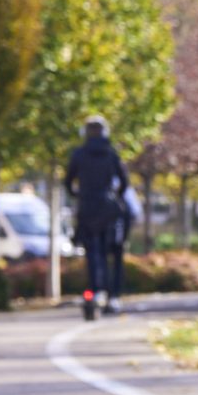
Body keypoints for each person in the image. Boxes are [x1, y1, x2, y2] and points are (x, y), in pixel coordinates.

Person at [64, 116, 131, 314]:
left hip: (87, 209)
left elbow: (68, 182)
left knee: (92, 253)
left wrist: (79, 194)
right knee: (113, 252)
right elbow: (124, 182)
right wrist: (114, 196)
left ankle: (94, 291)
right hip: (108, 210)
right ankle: (113, 296)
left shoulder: (79, 154)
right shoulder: (111, 154)